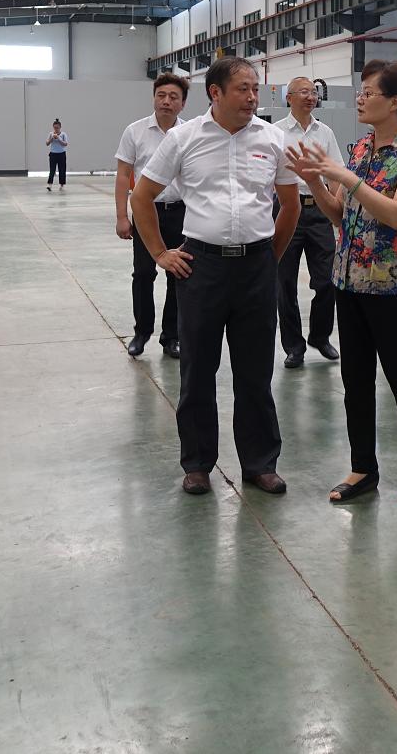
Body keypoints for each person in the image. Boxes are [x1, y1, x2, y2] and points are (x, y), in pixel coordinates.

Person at [132, 57, 300, 497]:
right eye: (243, 89)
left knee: (255, 371)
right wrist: (160, 253)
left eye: (255, 89)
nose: (252, 98)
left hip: (256, 267)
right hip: (201, 267)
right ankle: (197, 464)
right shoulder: (184, 138)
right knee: (197, 371)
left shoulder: (273, 139)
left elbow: (290, 205)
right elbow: (141, 196)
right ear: (216, 93)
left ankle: (260, 463)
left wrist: (269, 258)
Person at [287, 60, 397, 509]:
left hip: (393, 288)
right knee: (355, 379)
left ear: (394, 102)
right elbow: (339, 214)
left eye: (369, 92)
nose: (360, 98)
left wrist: (345, 178)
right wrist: (317, 183)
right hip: (349, 281)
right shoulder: (359, 150)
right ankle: (363, 468)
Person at [115, 73, 189, 359]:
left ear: (182, 103)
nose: (166, 101)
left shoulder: (190, 133)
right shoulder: (135, 131)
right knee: (143, 273)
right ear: (154, 98)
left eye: (173, 97)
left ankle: (172, 337)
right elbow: (124, 175)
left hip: (182, 213)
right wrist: (122, 216)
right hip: (147, 211)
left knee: (178, 275)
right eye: (161, 95)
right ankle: (142, 332)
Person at [273, 77, 343, 369]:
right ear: (289, 97)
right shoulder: (275, 132)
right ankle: (293, 346)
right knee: (285, 283)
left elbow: (336, 173)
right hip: (286, 209)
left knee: (327, 280)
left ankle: (320, 336)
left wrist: (337, 208)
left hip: (319, 211)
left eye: (313, 92)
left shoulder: (325, 132)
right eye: (303, 92)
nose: (310, 96)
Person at [46, 120, 68, 190]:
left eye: (57, 128)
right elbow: (47, 143)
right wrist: (52, 138)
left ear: (60, 127)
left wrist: (58, 138)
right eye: (55, 127)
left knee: (62, 170)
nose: (56, 129)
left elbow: (65, 144)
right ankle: (50, 184)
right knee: (52, 169)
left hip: (61, 154)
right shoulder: (51, 134)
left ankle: (62, 185)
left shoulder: (63, 134)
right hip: (53, 154)